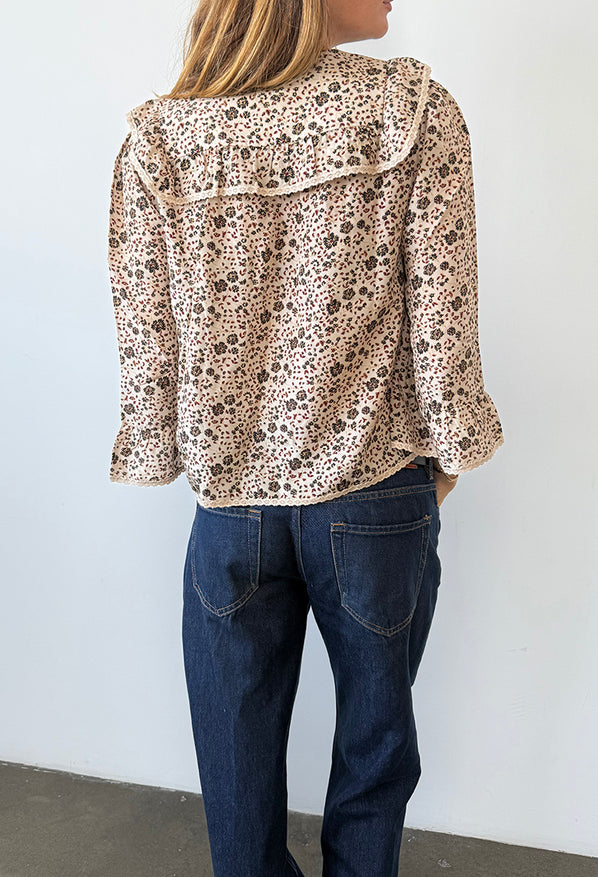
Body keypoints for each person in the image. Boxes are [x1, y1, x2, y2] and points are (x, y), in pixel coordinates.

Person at [107, 0, 504, 873]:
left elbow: (148, 341)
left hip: (230, 511)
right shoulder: (411, 112)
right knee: (375, 753)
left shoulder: (161, 137)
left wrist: (173, 452)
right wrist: (452, 451)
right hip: (374, 495)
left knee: (235, 774)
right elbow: (442, 316)